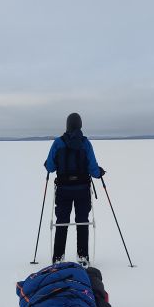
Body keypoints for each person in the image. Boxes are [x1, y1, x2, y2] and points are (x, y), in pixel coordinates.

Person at [44, 113, 105, 266]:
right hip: (83, 189)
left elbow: (50, 167)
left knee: (62, 222)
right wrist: (99, 172)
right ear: (80, 125)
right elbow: (93, 168)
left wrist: (48, 164)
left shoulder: (58, 143)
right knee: (82, 221)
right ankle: (83, 257)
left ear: (67, 125)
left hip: (64, 189)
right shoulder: (85, 143)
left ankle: (58, 257)